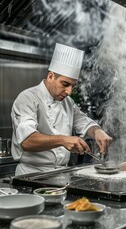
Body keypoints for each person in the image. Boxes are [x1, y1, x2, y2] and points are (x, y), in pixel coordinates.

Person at [11, 43, 112, 175]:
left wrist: (97, 131)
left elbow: (84, 122)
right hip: (31, 176)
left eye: (73, 86)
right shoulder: (27, 98)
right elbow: (27, 141)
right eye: (65, 84)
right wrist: (63, 140)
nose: (69, 91)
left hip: (62, 175)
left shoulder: (67, 102)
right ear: (51, 76)